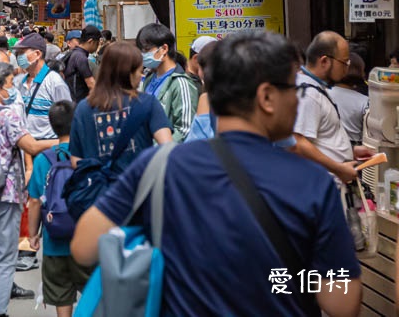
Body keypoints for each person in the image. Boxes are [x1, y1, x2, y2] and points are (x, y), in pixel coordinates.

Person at [70, 31, 363, 317]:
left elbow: (84, 248)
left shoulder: (159, 166)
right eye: (293, 89)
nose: (299, 101)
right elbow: (341, 302)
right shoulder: (312, 182)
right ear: (267, 97)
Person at [0, 61, 61, 317]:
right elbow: (30, 146)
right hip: (5, 192)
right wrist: (62, 140)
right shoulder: (7, 115)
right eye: (8, 85)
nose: (11, 89)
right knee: (2, 257)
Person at [68, 42, 174, 171]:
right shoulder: (147, 103)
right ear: (128, 74)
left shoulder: (84, 108)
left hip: (99, 188)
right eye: (139, 71)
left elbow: (76, 160)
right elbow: (167, 148)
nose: (141, 76)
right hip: (138, 186)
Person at [27, 101, 89, 317]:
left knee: (62, 296)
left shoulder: (44, 159)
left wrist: (33, 235)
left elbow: (34, 201)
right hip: (86, 239)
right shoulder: (88, 155)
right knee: (93, 292)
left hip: (55, 240)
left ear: (52, 127)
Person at [293, 32, 374, 184]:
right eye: (344, 63)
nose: (346, 69)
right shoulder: (308, 93)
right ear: (324, 61)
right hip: (321, 185)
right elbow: (298, 143)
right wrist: (339, 168)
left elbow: (319, 141)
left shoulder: (315, 88)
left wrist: (351, 150)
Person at [135, 23, 199, 143]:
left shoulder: (180, 82)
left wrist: (158, 149)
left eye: (146, 49)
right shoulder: (149, 78)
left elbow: (185, 130)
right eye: (141, 50)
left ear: (164, 49)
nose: (143, 55)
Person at [12, 33, 71, 140]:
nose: (18, 56)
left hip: (47, 147)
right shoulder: (19, 81)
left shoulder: (54, 82)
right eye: (17, 53)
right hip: (23, 146)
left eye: (22, 52)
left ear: (38, 54)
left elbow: (67, 119)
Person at [329, 52, 369, 145]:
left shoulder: (323, 93)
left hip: (328, 146)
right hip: (356, 148)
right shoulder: (364, 100)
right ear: (360, 73)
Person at [63, 26, 100, 104]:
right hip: (77, 103)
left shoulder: (74, 53)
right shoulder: (81, 57)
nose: (97, 47)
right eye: (97, 43)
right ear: (91, 41)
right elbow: (91, 84)